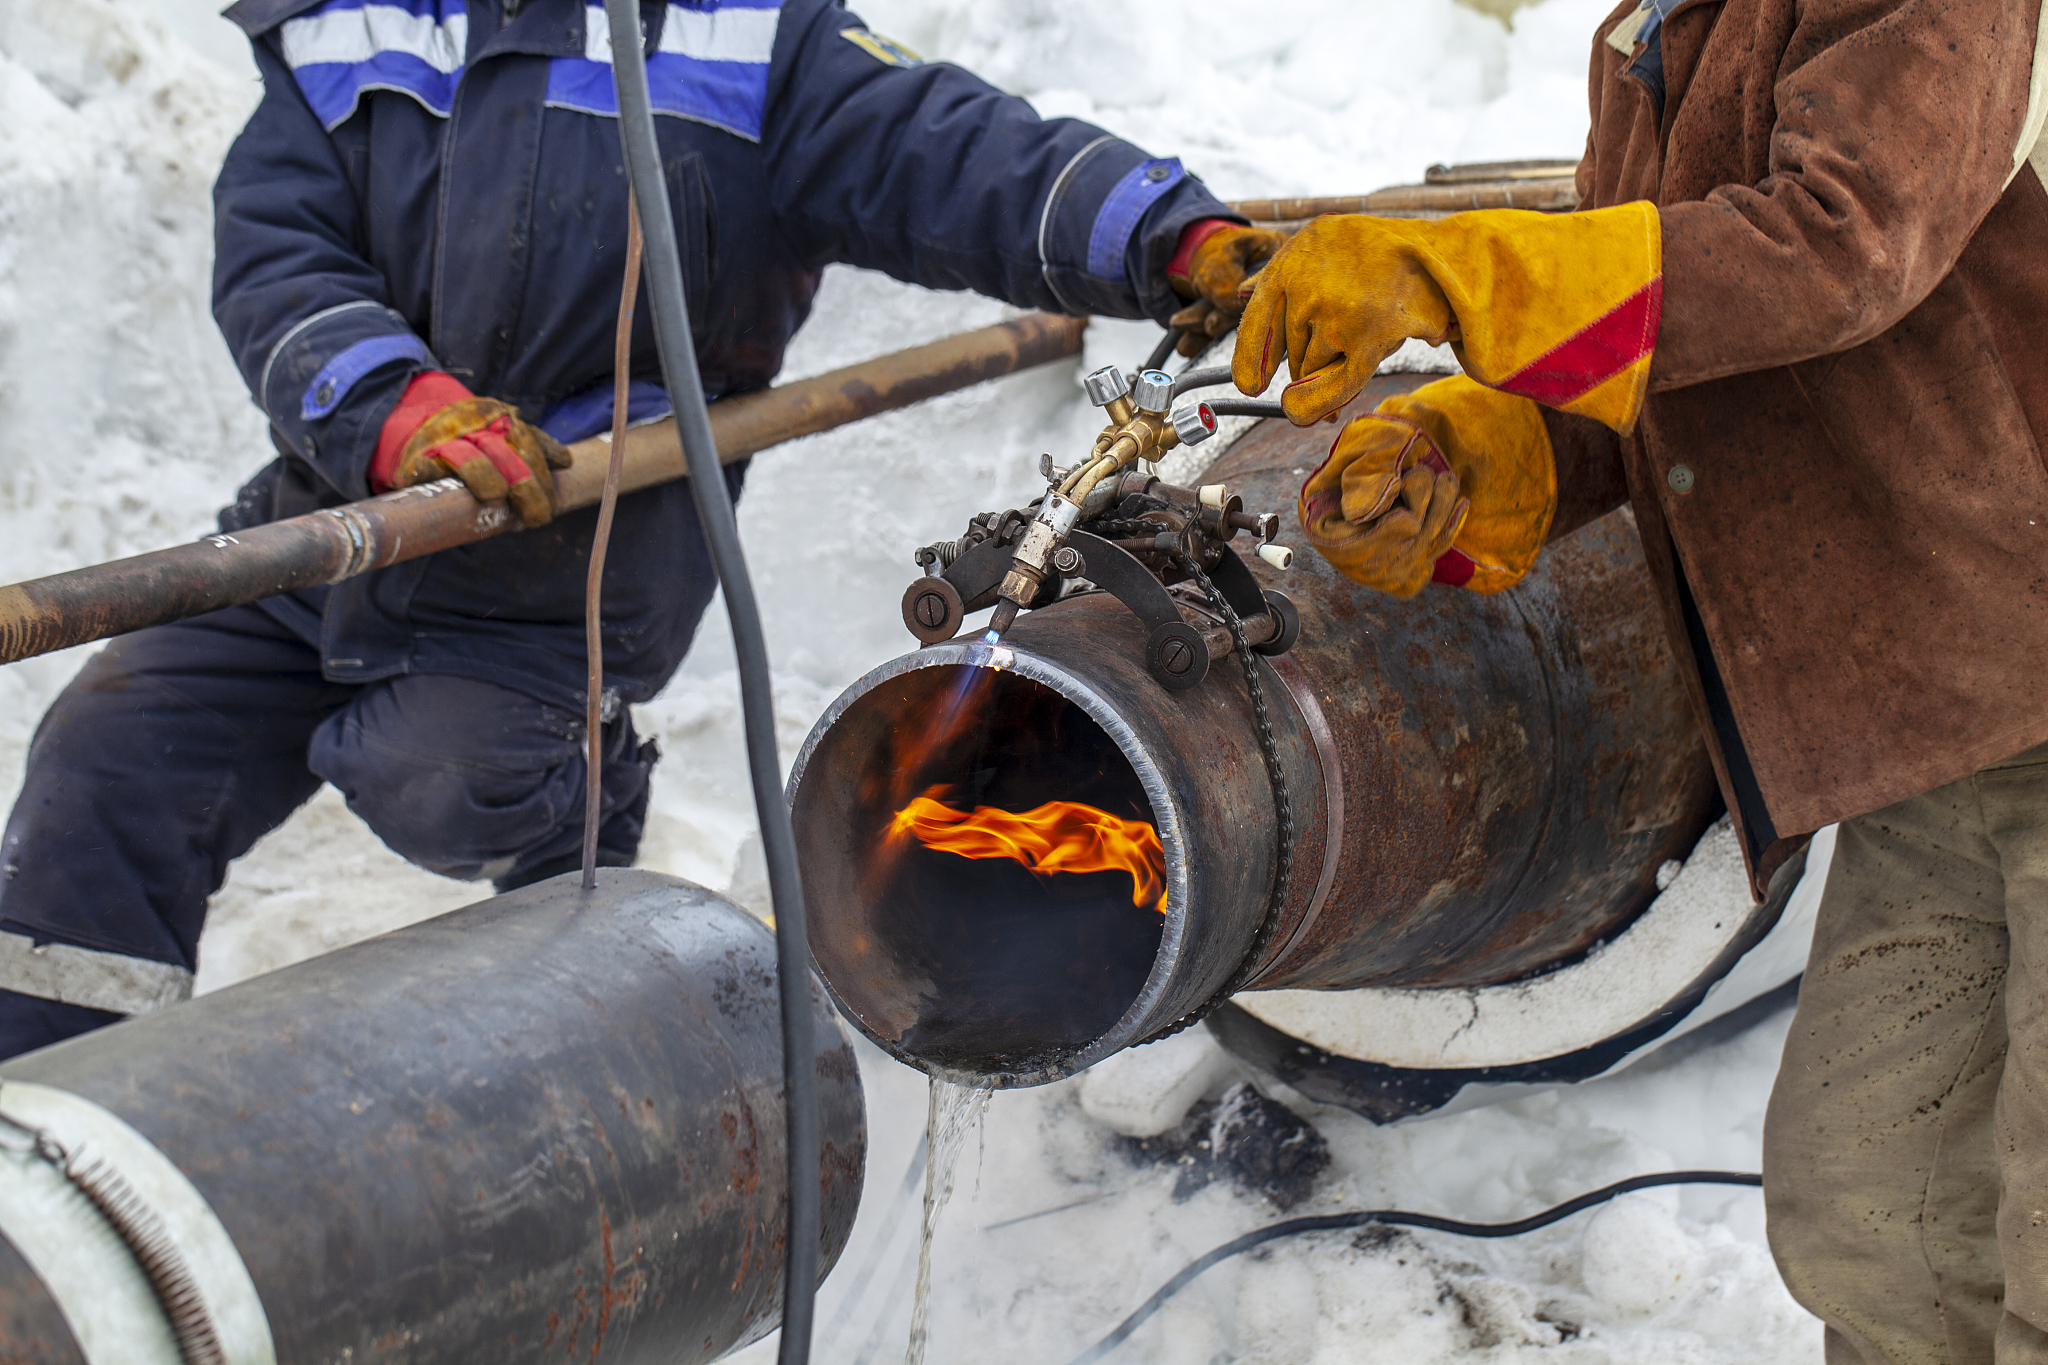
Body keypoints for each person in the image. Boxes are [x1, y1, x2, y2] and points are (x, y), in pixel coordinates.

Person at [0, 0, 1284, 1061]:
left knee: (437, 781)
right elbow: (276, 253)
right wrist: (393, 407)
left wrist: (1165, 235)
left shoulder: (738, 37)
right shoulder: (350, 26)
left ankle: (583, 806)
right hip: (332, 522)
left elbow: (951, 150)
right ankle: (49, 1104)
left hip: (571, 560)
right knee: (107, 760)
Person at [1231, 0, 2048, 1357]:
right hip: (1946, 731)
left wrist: (1456, 278)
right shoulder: (1663, 31)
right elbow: (1686, 342)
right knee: (1873, 1224)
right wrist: (1492, 453)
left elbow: (1844, 243)